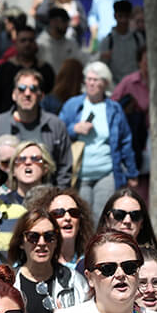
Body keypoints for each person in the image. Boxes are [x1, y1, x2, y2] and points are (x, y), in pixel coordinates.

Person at [61, 62, 136, 217]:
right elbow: (58, 132)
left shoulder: (114, 109)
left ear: (106, 83)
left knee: (103, 216)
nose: (92, 83)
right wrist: (74, 129)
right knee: (83, 218)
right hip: (79, 173)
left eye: (96, 80)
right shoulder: (73, 105)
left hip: (106, 172)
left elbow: (125, 142)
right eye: (89, 79)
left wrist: (132, 173)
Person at [7, 208, 87, 313]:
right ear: (21, 242)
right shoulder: (9, 284)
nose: (42, 243)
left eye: (49, 236)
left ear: (56, 241)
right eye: (33, 237)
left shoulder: (75, 282)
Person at [0, 69, 73, 189]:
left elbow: (64, 169)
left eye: (33, 89)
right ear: (14, 94)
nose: (27, 93)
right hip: (5, 199)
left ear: (41, 96)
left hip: (45, 198)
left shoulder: (56, 125)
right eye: (22, 89)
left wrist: (57, 199)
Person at [0, 141, 55, 253]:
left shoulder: (56, 202)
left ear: (46, 167)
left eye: (35, 159)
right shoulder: (0, 204)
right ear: (13, 170)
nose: (27, 162)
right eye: (20, 159)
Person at [36, 189, 92, 271]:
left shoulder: (91, 262)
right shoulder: (35, 264)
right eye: (58, 213)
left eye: (73, 212)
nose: (68, 218)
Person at [97, 187, 157, 252]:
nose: (127, 221)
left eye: (135, 215)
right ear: (107, 220)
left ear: (142, 222)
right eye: (119, 214)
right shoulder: (95, 255)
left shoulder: (151, 260)